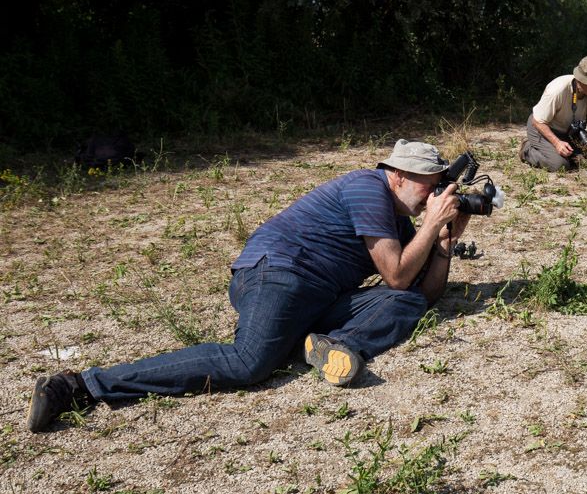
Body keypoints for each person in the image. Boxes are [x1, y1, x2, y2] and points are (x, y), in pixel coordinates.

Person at [27, 139, 471, 432]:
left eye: (438, 187)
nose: (433, 195)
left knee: (407, 302)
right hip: (278, 274)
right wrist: (431, 224)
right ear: (397, 175)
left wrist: (445, 240)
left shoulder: (398, 217)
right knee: (248, 363)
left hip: (319, 296)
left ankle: (328, 345)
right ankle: (80, 385)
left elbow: (419, 290)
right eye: (429, 184)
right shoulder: (367, 187)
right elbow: (395, 271)